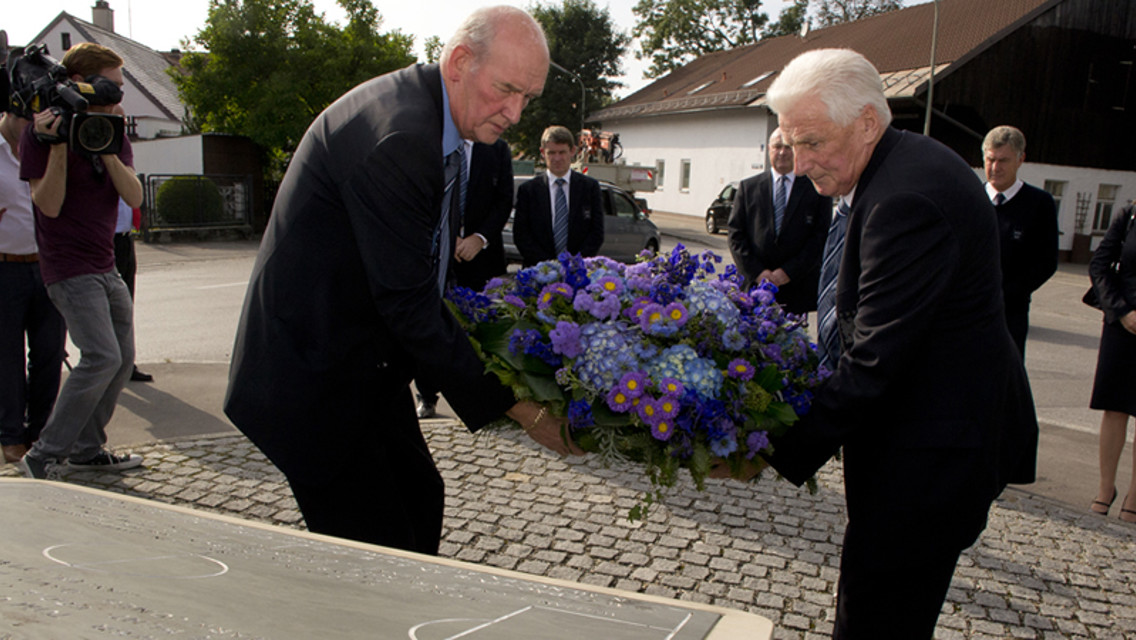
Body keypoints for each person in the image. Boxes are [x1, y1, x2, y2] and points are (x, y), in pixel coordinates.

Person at [224, 6, 582, 555]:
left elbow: (425, 273)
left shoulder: (433, 116)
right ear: (460, 61)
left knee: (420, 499)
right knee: (380, 552)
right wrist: (527, 411)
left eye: (527, 98)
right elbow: (409, 303)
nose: (515, 112)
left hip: (365, 362)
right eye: (506, 90)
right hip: (314, 378)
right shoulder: (402, 137)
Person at [759, 49, 1038, 639]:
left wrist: (765, 444)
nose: (801, 161)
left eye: (812, 142)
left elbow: (875, 360)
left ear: (865, 122)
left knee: (876, 620)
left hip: (930, 459)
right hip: (924, 442)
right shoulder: (901, 166)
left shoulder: (906, 198)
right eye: (789, 142)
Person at [17, 42, 145, 479]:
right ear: (81, 83)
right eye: (113, 85)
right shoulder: (39, 133)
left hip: (106, 264)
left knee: (122, 360)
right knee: (101, 356)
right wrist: (57, 147)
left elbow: (134, 195)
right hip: (68, 268)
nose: (120, 97)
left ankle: (88, 451)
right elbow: (47, 205)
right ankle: (43, 455)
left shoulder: (114, 131)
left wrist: (105, 147)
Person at [416, 138, 513, 419]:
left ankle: (480, 397)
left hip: (481, 257)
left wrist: (479, 239)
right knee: (430, 323)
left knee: (479, 328)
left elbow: (504, 199)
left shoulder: (496, 148)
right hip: (436, 253)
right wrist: (446, 237)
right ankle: (427, 395)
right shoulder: (436, 140)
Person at [0, 109, 67, 464]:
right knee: (6, 356)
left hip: (47, 265)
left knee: (49, 353)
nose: (34, 127)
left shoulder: (47, 145)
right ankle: (11, 435)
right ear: (9, 113)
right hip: (4, 265)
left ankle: (40, 433)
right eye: (27, 120)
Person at [727, 127, 832, 314]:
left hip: (796, 291)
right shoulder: (748, 188)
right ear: (769, 149)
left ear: (797, 150)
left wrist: (787, 272)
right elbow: (736, 235)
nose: (782, 152)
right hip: (755, 289)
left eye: (788, 146)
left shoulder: (817, 189)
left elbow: (820, 237)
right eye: (777, 147)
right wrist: (758, 273)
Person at [982, 125, 1059, 359]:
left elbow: (1046, 263)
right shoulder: (969, 198)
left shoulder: (1039, 204)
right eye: (990, 160)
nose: (995, 168)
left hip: (1010, 315)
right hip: (967, 312)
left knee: (1005, 382)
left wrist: (1004, 294)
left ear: (1020, 159)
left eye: (1003, 160)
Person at [1087, 203, 1136, 522]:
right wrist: (1121, 311)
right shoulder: (1129, 214)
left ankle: (1135, 495)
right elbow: (1099, 266)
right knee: (1114, 407)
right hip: (1121, 323)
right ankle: (1106, 487)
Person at [513, 125, 604, 266]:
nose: (557, 158)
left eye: (562, 152)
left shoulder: (589, 188)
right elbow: (521, 234)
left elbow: (596, 233)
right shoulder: (528, 191)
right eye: (551, 153)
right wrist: (549, 266)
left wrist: (574, 263)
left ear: (572, 151)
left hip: (577, 272)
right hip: (538, 272)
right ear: (542, 152)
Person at [114, 197, 153, 382]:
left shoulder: (124, 170)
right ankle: (108, 365)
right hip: (106, 240)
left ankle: (127, 364)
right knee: (105, 307)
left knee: (126, 305)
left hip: (125, 238)